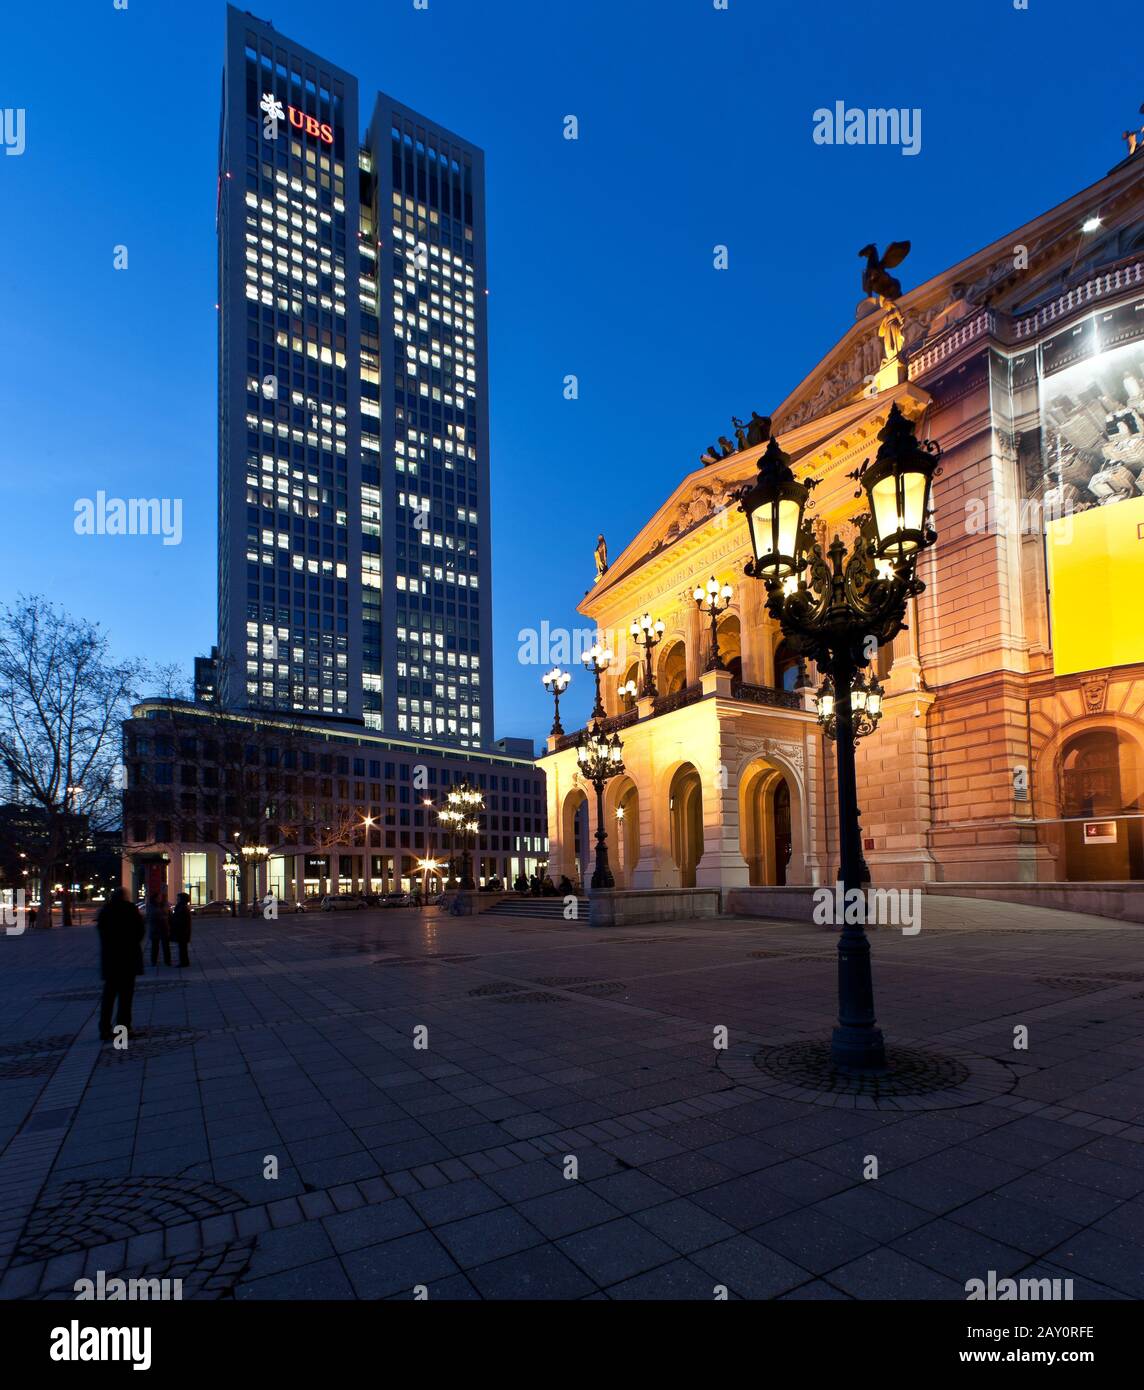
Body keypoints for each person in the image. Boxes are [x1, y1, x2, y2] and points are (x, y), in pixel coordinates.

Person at [97, 888, 144, 1041]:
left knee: (108, 997)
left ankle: (104, 1029)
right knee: (125, 997)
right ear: (125, 897)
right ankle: (123, 1029)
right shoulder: (130, 909)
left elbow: (101, 932)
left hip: (111, 960)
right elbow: (140, 931)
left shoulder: (105, 911)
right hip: (127, 958)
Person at [145, 891, 171, 967]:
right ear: (155, 898)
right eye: (159, 897)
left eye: (160, 897)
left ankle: (167, 961)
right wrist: (163, 915)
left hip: (164, 928)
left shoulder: (163, 905)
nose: (160, 898)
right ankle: (154, 961)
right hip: (155, 928)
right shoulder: (151, 906)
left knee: (165, 946)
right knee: (155, 946)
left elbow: (167, 915)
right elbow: (152, 915)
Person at [170, 892, 192, 968]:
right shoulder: (182, 907)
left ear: (181, 899)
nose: (177, 899)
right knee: (182, 948)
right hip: (182, 931)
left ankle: (184, 962)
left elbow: (180, 920)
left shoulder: (182, 907)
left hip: (182, 931)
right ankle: (184, 961)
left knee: (182, 948)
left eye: (178, 898)